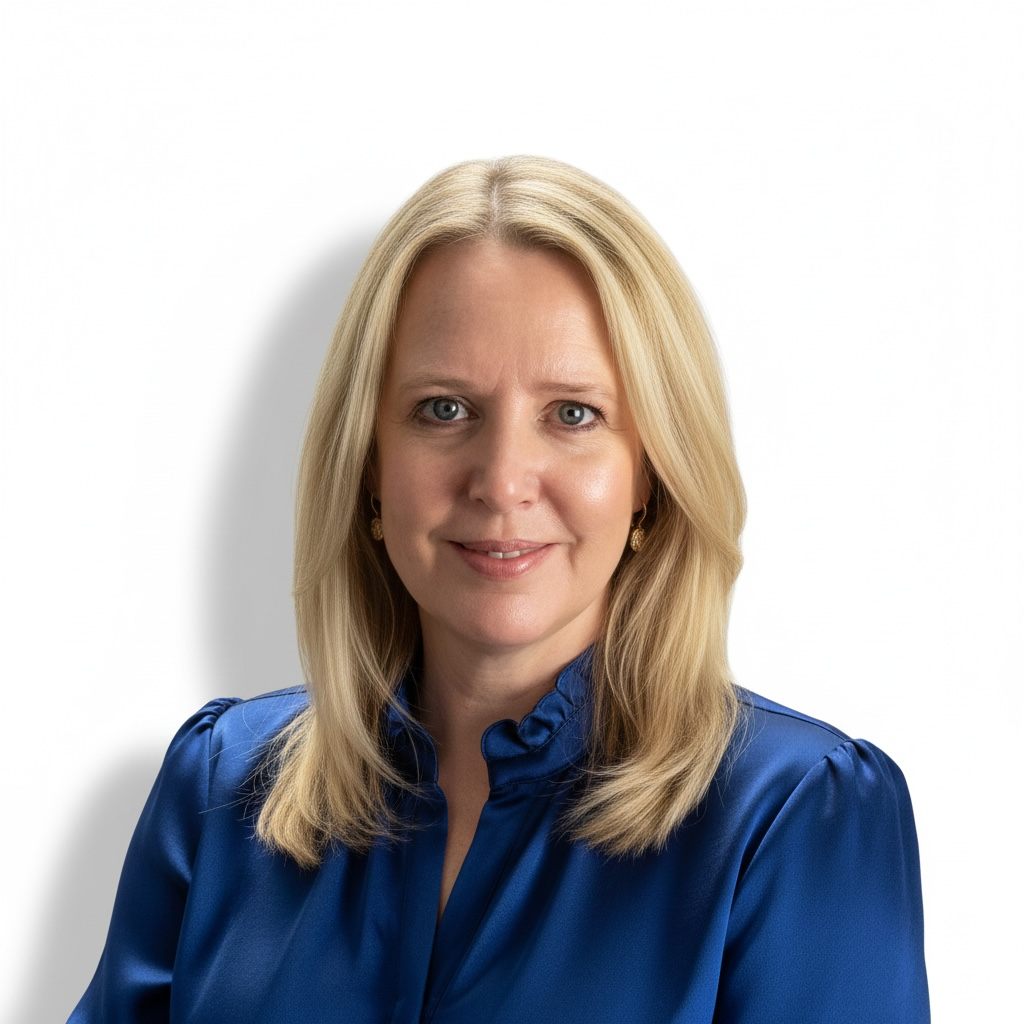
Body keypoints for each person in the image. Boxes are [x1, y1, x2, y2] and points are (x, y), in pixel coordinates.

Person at [70, 156, 929, 1022]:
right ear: (368, 465)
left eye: (573, 414)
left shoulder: (795, 818)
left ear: (650, 474)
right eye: (445, 409)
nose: (503, 480)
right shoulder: (220, 790)